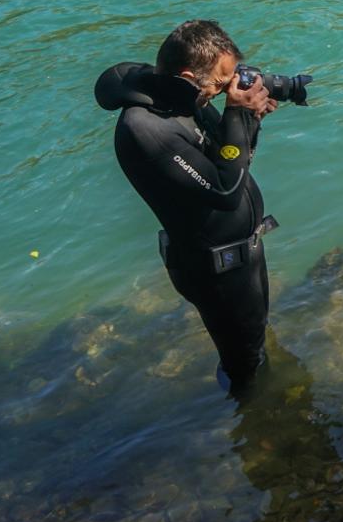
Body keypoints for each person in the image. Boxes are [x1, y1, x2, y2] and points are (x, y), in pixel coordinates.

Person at [95, 20, 280, 390]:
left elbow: (232, 162)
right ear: (187, 75)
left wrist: (249, 120)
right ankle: (253, 427)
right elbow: (225, 193)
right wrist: (236, 114)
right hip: (216, 271)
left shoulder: (186, 99)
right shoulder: (146, 130)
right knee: (244, 364)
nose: (225, 89)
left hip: (242, 254)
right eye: (220, 81)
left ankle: (260, 408)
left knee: (256, 339)